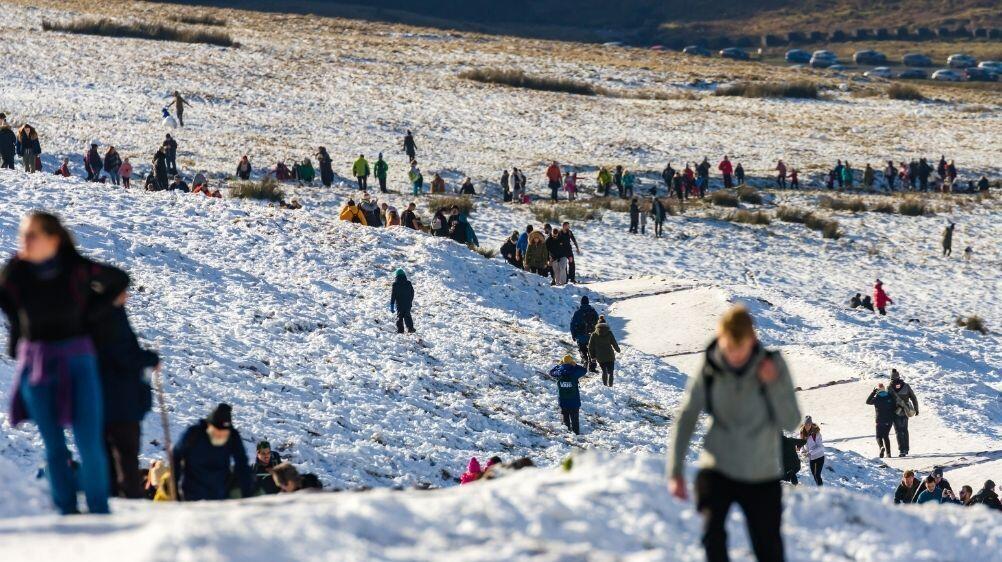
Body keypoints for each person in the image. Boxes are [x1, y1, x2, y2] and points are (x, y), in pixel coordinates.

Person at [1, 212, 129, 515]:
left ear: (53, 239)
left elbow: (119, 280)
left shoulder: (77, 268)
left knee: (88, 440)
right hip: (37, 361)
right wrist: (19, 333)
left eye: (32, 235)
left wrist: (93, 313)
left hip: (78, 359)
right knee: (54, 446)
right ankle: (66, 512)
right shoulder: (16, 273)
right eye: (23, 236)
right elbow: (5, 300)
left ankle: (99, 511)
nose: (25, 242)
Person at [668, 306, 800, 562]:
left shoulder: (772, 364)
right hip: (718, 465)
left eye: (741, 350)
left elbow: (791, 421)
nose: (735, 357)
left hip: (761, 471)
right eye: (730, 349)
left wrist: (773, 385)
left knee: (769, 548)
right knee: (712, 535)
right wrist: (675, 471)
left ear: (752, 340)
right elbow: (687, 417)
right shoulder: (710, 366)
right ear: (722, 340)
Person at [90, 290, 160, 499]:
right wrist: (149, 358)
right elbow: (123, 353)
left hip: (103, 401)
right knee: (126, 453)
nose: (127, 296)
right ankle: (128, 498)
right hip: (122, 402)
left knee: (108, 453)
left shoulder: (94, 316)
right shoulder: (112, 318)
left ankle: (111, 495)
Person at [172, 403, 254, 501]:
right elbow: (175, 457)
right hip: (191, 494)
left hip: (219, 495)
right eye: (216, 432)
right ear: (208, 426)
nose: (219, 436)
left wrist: (247, 495)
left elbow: (242, 464)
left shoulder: (232, 436)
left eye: (223, 434)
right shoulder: (193, 434)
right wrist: (175, 491)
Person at [549, 355, 587, 435]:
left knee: (565, 419)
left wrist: (559, 366)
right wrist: (575, 365)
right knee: (575, 420)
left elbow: (551, 372)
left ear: (562, 362)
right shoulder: (574, 372)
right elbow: (584, 370)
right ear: (571, 362)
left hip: (563, 401)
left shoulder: (559, 373)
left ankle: (567, 434)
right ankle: (576, 434)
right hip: (574, 401)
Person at [888, 369, 918, 457]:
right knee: (905, 430)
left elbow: (887, 401)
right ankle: (906, 449)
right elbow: (913, 398)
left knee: (898, 431)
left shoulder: (889, 388)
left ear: (891, 378)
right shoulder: (906, 386)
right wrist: (916, 409)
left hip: (895, 412)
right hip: (905, 411)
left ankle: (902, 450)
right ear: (899, 376)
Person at [588, 316, 621, 387]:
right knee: (611, 372)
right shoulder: (609, 333)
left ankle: (605, 386)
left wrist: (592, 357)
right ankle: (611, 385)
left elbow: (591, 347)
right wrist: (617, 349)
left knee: (604, 371)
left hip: (600, 356)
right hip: (610, 355)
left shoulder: (594, 334)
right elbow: (614, 342)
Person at [866, 383, 896, 458]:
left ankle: (881, 447)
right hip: (889, 420)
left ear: (877, 390)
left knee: (879, 436)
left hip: (880, 420)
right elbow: (894, 405)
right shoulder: (889, 396)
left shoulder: (877, 398)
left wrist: (873, 393)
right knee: (886, 436)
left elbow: (868, 402)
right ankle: (888, 454)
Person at [570, 296, 599, 372]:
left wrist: (573, 335)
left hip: (581, 335)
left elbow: (572, 324)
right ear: (588, 302)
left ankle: (585, 360)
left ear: (581, 303)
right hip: (591, 336)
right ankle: (592, 367)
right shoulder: (593, 312)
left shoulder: (577, 313)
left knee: (582, 349)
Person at [800, 416, 825, 486]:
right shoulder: (802, 433)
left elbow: (821, 447)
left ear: (811, 424)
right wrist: (802, 452)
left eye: (809, 424)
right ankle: (819, 488)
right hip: (811, 458)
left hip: (820, 457)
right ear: (804, 424)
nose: (807, 426)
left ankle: (821, 491)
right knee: (814, 475)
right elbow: (802, 444)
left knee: (817, 475)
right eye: (806, 424)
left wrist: (810, 453)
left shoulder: (816, 433)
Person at [390, 269, 415, 334]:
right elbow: (412, 293)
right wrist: (410, 300)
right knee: (407, 315)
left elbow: (393, 296)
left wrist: (392, 305)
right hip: (408, 303)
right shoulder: (408, 283)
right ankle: (410, 328)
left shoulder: (395, 284)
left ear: (396, 276)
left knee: (400, 316)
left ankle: (400, 330)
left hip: (399, 304)